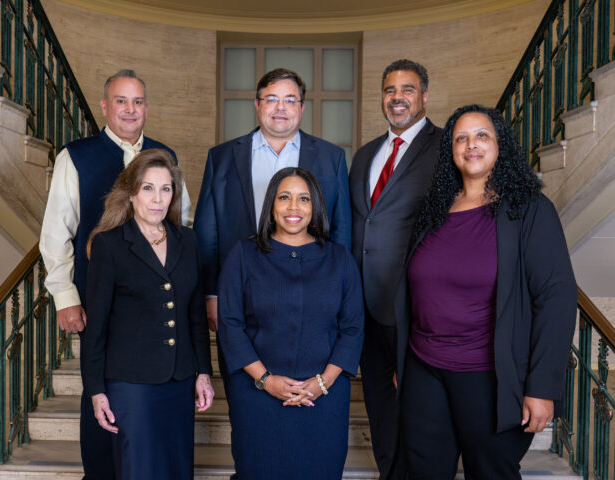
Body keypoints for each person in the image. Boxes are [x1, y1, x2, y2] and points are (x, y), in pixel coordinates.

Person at [397, 104, 577, 478]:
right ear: (451, 150)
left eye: (482, 136)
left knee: (490, 473)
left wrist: (542, 387)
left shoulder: (528, 210)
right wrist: (403, 359)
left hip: (489, 376)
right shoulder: (434, 210)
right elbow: (411, 289)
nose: (471, 145)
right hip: (424, 369)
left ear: (500, 146)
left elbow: (556, 300)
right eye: (461, 138)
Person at [39, 69, 191, 479]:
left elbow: (181, 225)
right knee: (101, 398)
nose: (129, 109)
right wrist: (66, 297)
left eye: (137, 101)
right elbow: (56, 232)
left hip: (153, 309)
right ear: (105, 106)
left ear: (147, 108)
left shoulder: (165, 157)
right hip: (97, 302)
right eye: (120, 101)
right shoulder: (77, 156)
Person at [217, 167, 364, 480]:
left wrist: (322, 382)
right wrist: (266, 380)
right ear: (271, 204)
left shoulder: (339, 259)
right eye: (284, 197)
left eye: (303, 199)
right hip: (258, 396)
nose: (294, 207)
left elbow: (353, 329)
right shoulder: (243, 255)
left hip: (323, 399)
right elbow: (230, 324)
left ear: (315, 208)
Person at [83, 149, 213, 479]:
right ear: (130, 193)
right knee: (139, 469)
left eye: (166, 189)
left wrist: (203, 372)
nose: (157, 199)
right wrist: (96, 390)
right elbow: (96, 326)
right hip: (132, 385)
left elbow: (195, 314)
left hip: (180, 381)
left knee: (177, 469)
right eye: (148, 188)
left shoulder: (188, 240)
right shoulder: (109, 245)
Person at [194, 68, 351, 335]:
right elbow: (207, 233)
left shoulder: (331, 157)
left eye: (290, 100)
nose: (281, 108)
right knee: (242, 371)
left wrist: (338, 290)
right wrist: (211, 294)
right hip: (239, 289)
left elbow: (341, 228)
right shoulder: (221, 157)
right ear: (257, 104)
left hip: (312, 289)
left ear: (301, 108)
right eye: (271, 99)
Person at [349, 59, 441, 479]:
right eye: (389, 90)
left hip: (416, 306)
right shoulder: (366, 154)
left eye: (407, 89)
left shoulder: (445, 149)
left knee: (419, 409)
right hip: (366, 306)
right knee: (381, 408)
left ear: (424, 95)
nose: (397, 98)